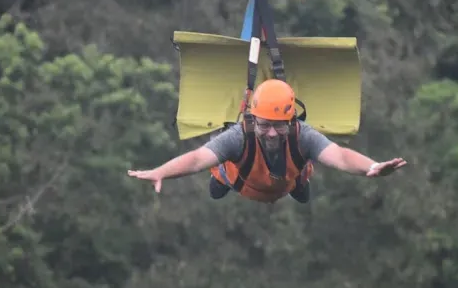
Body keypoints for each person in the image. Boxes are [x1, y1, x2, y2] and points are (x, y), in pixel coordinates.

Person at [127, 79, 407, 203]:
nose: (272, 133)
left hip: (286, 182)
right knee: (217, 184)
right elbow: (199, 158)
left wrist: (371, 167)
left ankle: (299, 183)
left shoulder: (302, 134)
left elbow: (340, 156)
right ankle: (222, 180)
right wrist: (162, 171)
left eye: (279, 126)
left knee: (301, 187)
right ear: (253, 119)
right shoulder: (240, 136)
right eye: (265, 125)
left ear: (291, 121)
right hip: (242, 181)